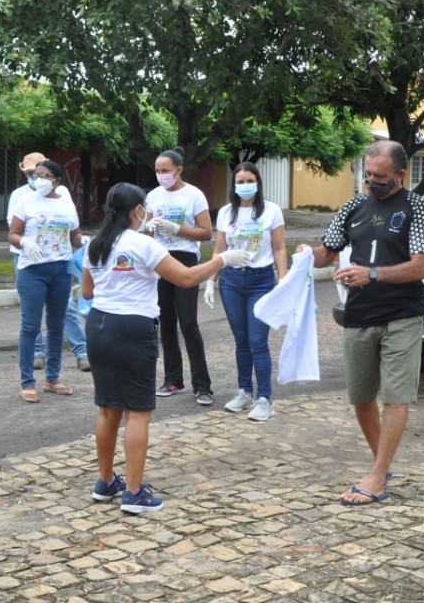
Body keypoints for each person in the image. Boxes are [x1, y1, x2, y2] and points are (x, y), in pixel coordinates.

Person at [82, 183, 252, 513]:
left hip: (99, 325)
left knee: (107, 408)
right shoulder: (144, 245)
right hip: (132, 328)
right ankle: (133, 493)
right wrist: (221, 259)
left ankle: (106, 482)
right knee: (137, 413)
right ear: (136, 211)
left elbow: (87, 292)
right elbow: (186, 278)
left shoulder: (95, 245)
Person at [302, 140, 424, 506]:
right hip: (359, 314)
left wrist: (372, 274)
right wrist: (301, 255)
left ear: (400, 175)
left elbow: (420, 266)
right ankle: (383, 465)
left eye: (380, 176)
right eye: (367, 174)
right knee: (361, 397)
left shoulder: (416, 208)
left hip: (401, 315)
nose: (371, 181)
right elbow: (326, 253)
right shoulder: (354, 206)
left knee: (395, 397)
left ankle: (377, 476)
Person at [206, 162, 288, 421]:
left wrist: (283, 279)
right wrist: (211, 280)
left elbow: (279, 248)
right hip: (231, 280)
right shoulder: (226, 213)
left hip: (260, 280)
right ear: (234, 185)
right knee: (241, 341)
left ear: (258, 182)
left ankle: (265, 398)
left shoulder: (271, 211)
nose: (244, 186)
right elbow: (219, 250)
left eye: (249, 180)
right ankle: (245, 392)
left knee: (257, 341)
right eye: (239, 182)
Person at [6, 152, 90, 372]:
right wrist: (24, 242)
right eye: (34, 174)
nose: (37, 179)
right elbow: (13, 233)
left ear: (57, 180)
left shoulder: (65, 200)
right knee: (30, 323)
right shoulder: (23, 198)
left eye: (43, 175)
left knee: (60, 319)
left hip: (61, 268)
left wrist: (83, 241)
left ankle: (57, 374)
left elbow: (74, 233)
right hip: (31, 266)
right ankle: (30, 372)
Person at [145, 147, 215, 405]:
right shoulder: (153, 196)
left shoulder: (193, 195)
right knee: (166, 321)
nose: (161, 175)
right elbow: (146, 232)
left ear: (178, 170)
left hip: (185, 259)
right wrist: (149, 227)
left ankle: (203, 385)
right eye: (157, 171)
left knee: (188, 322)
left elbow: (206, 232)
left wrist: (178, 229)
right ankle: (173, 379)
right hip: (160, 259)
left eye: (165, 170)